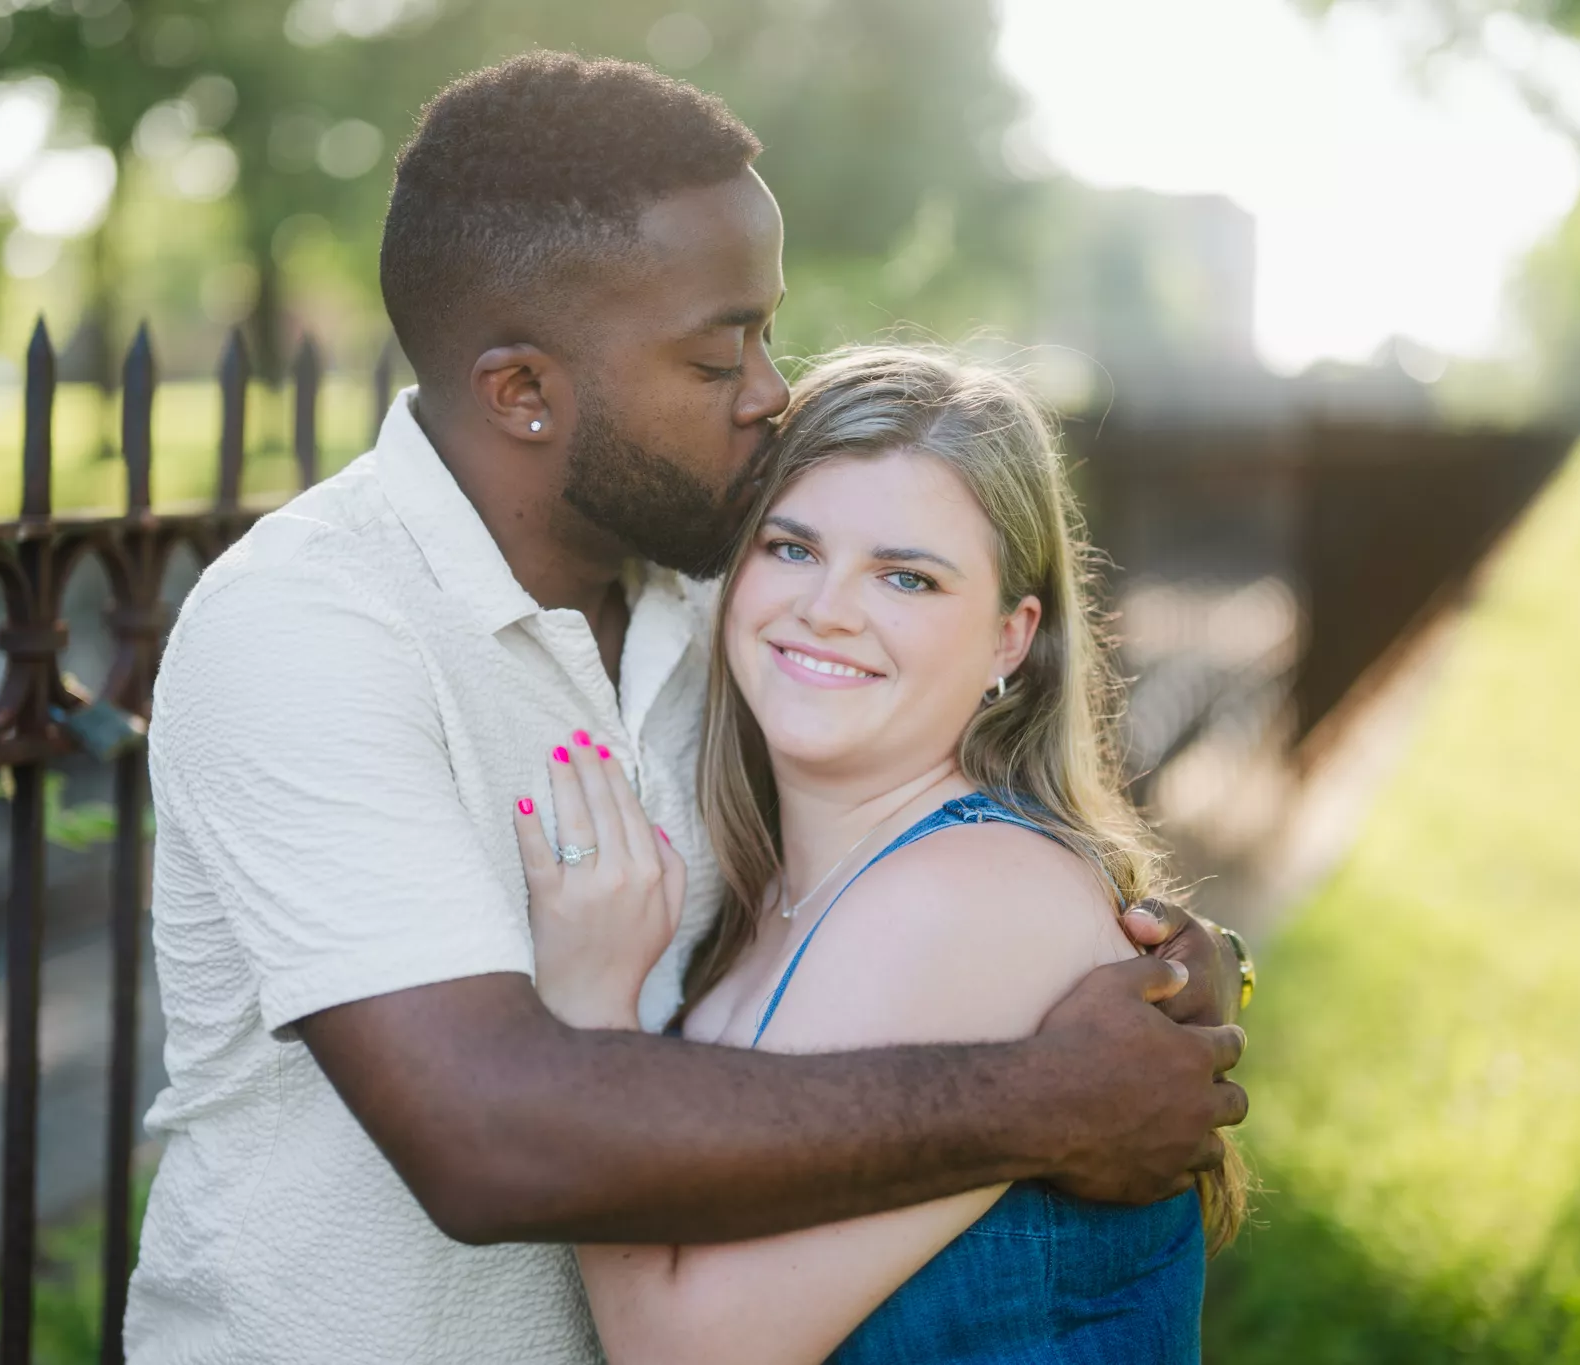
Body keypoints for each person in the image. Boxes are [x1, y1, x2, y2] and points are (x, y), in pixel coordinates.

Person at [125, 53, 1248, 1365]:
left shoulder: (717, 584)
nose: (771, 390)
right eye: (719, 356)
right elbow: (486, 1134)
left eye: (767, 334)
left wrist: (1141, 959)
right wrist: (1043, 1096)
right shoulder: (312, 630)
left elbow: (933, 809)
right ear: (524, 391)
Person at [516, 345, 1242, 1365]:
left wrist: (588, 1012)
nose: (827, 608)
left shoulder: (966, 897)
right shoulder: (772, 892)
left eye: (907, 576)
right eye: (792, 548)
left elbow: (685, 1352)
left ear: (1009, 639)